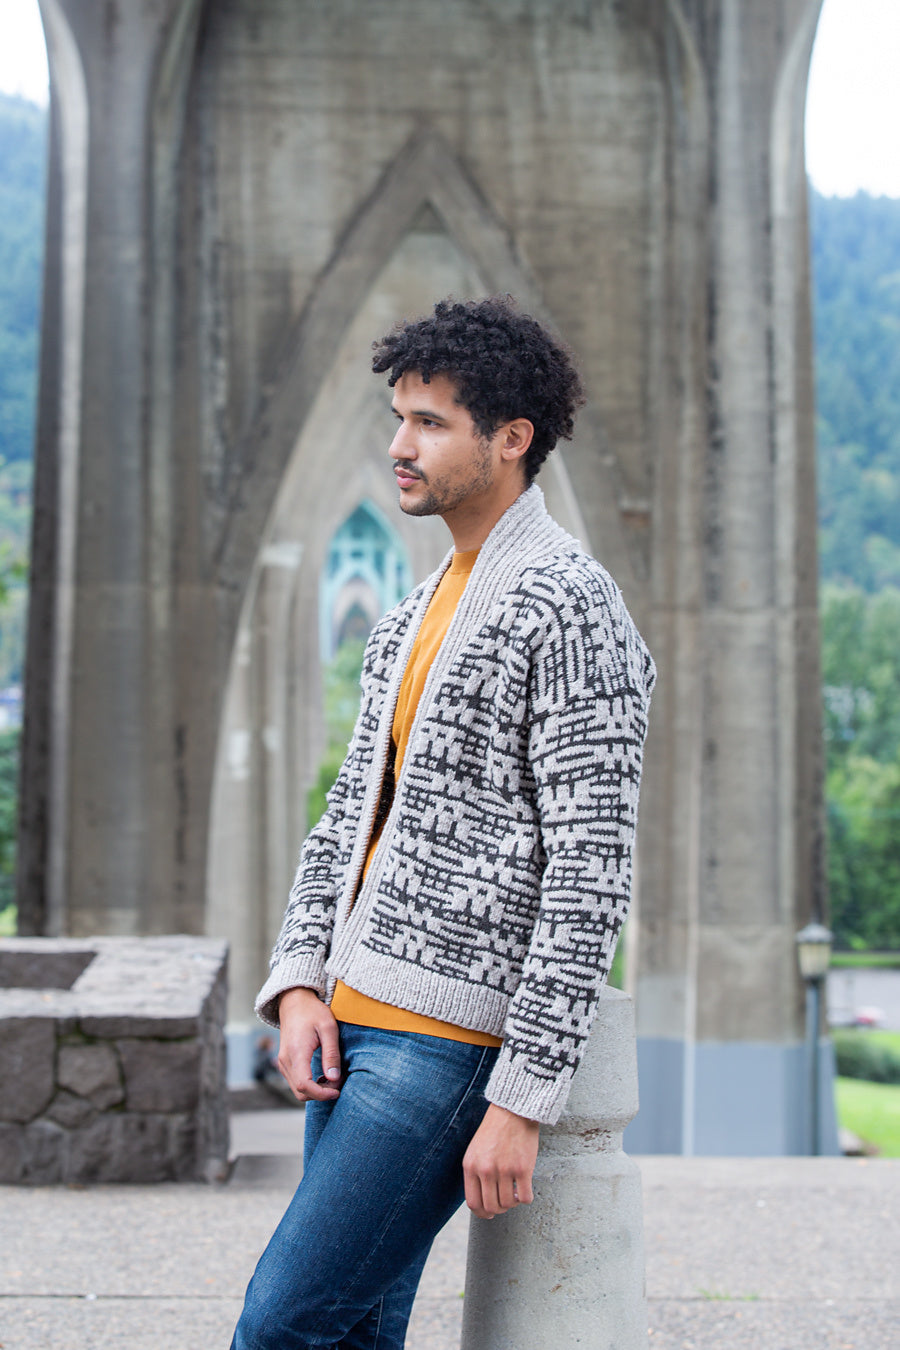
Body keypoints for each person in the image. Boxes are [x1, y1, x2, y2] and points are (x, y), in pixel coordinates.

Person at [231, 295, 656, 1350]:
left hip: (447, 1044)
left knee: (281, 1324)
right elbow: (347, 818)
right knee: (351, 1335)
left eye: (430, 423)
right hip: (350, 1021)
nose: (399, 446)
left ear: (511, 439)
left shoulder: (570, 605)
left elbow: (590, 872)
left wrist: (522, 1098)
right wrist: (299, 982)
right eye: (399, 418)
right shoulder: (411, 614)